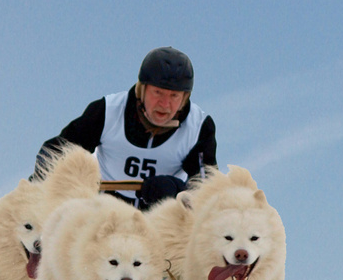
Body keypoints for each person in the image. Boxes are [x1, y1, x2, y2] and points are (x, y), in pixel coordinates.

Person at [35, 48, 217, 209]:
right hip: (106, 208)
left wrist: (177, 189)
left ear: (185, 98)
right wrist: (36, 188)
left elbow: (207, 188)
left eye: (174, 96)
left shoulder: (199, 128)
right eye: (157, 92)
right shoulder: (108, 111)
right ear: (142, 89)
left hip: (162, 215)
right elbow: (56, 151)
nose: (165, 104)